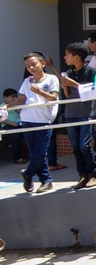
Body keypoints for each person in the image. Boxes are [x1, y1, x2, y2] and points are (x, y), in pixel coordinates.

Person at [7, 54, 59, 193]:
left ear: (43, 63)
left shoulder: (51, 79)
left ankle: (28, 173)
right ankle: (45, 181)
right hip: (27, 120)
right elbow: (21, 99)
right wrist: (7, 106)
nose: (31, 68)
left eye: (33, 64)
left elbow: (54, 97)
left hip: (43, 120)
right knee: (34, 153)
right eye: (27, 66)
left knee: (40, 153)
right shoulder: (27, 81)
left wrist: (40, 91)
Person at [60, 42, 96, 189]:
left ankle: (92, 174)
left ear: (76, 57)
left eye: (67, 55)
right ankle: (82, 174)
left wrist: (73, 84)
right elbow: (67, 95)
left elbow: (92, 92)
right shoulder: (69, 73)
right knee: (76, 147)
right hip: (70, 113)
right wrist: (65, 87)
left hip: (85, 113)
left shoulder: (90, 71)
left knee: (84, 145)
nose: (65, 57)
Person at [2, 89, 24, 164]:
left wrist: (16, 107)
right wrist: (11, 124)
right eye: (12, 97)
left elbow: (21, 113)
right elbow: (2, 120)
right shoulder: (3, 106)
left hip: (19, 124)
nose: (14, 98)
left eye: (15, 96)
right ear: (5, 97)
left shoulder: (16, 105)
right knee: (15, 136)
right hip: (8, 126)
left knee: (28, 133)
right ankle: (17, 158)